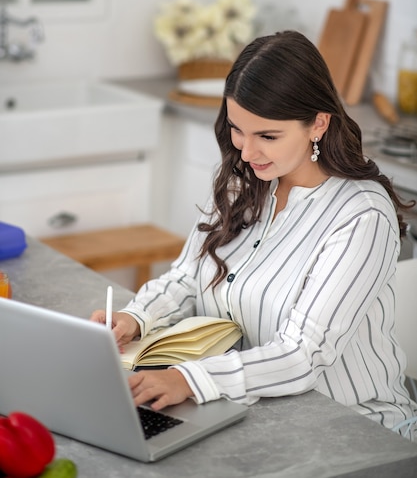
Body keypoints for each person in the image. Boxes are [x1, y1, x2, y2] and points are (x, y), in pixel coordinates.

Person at [91, 30, 417, 440]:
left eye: (268, 136)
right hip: (256, 415)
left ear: (318, 124)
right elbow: (187, 277)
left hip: (355, 430)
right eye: (237, 129)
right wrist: (136, 317)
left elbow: (303, 354)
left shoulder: (361, 216)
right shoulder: (244, 181)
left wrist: (189, 379)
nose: (246, 151)